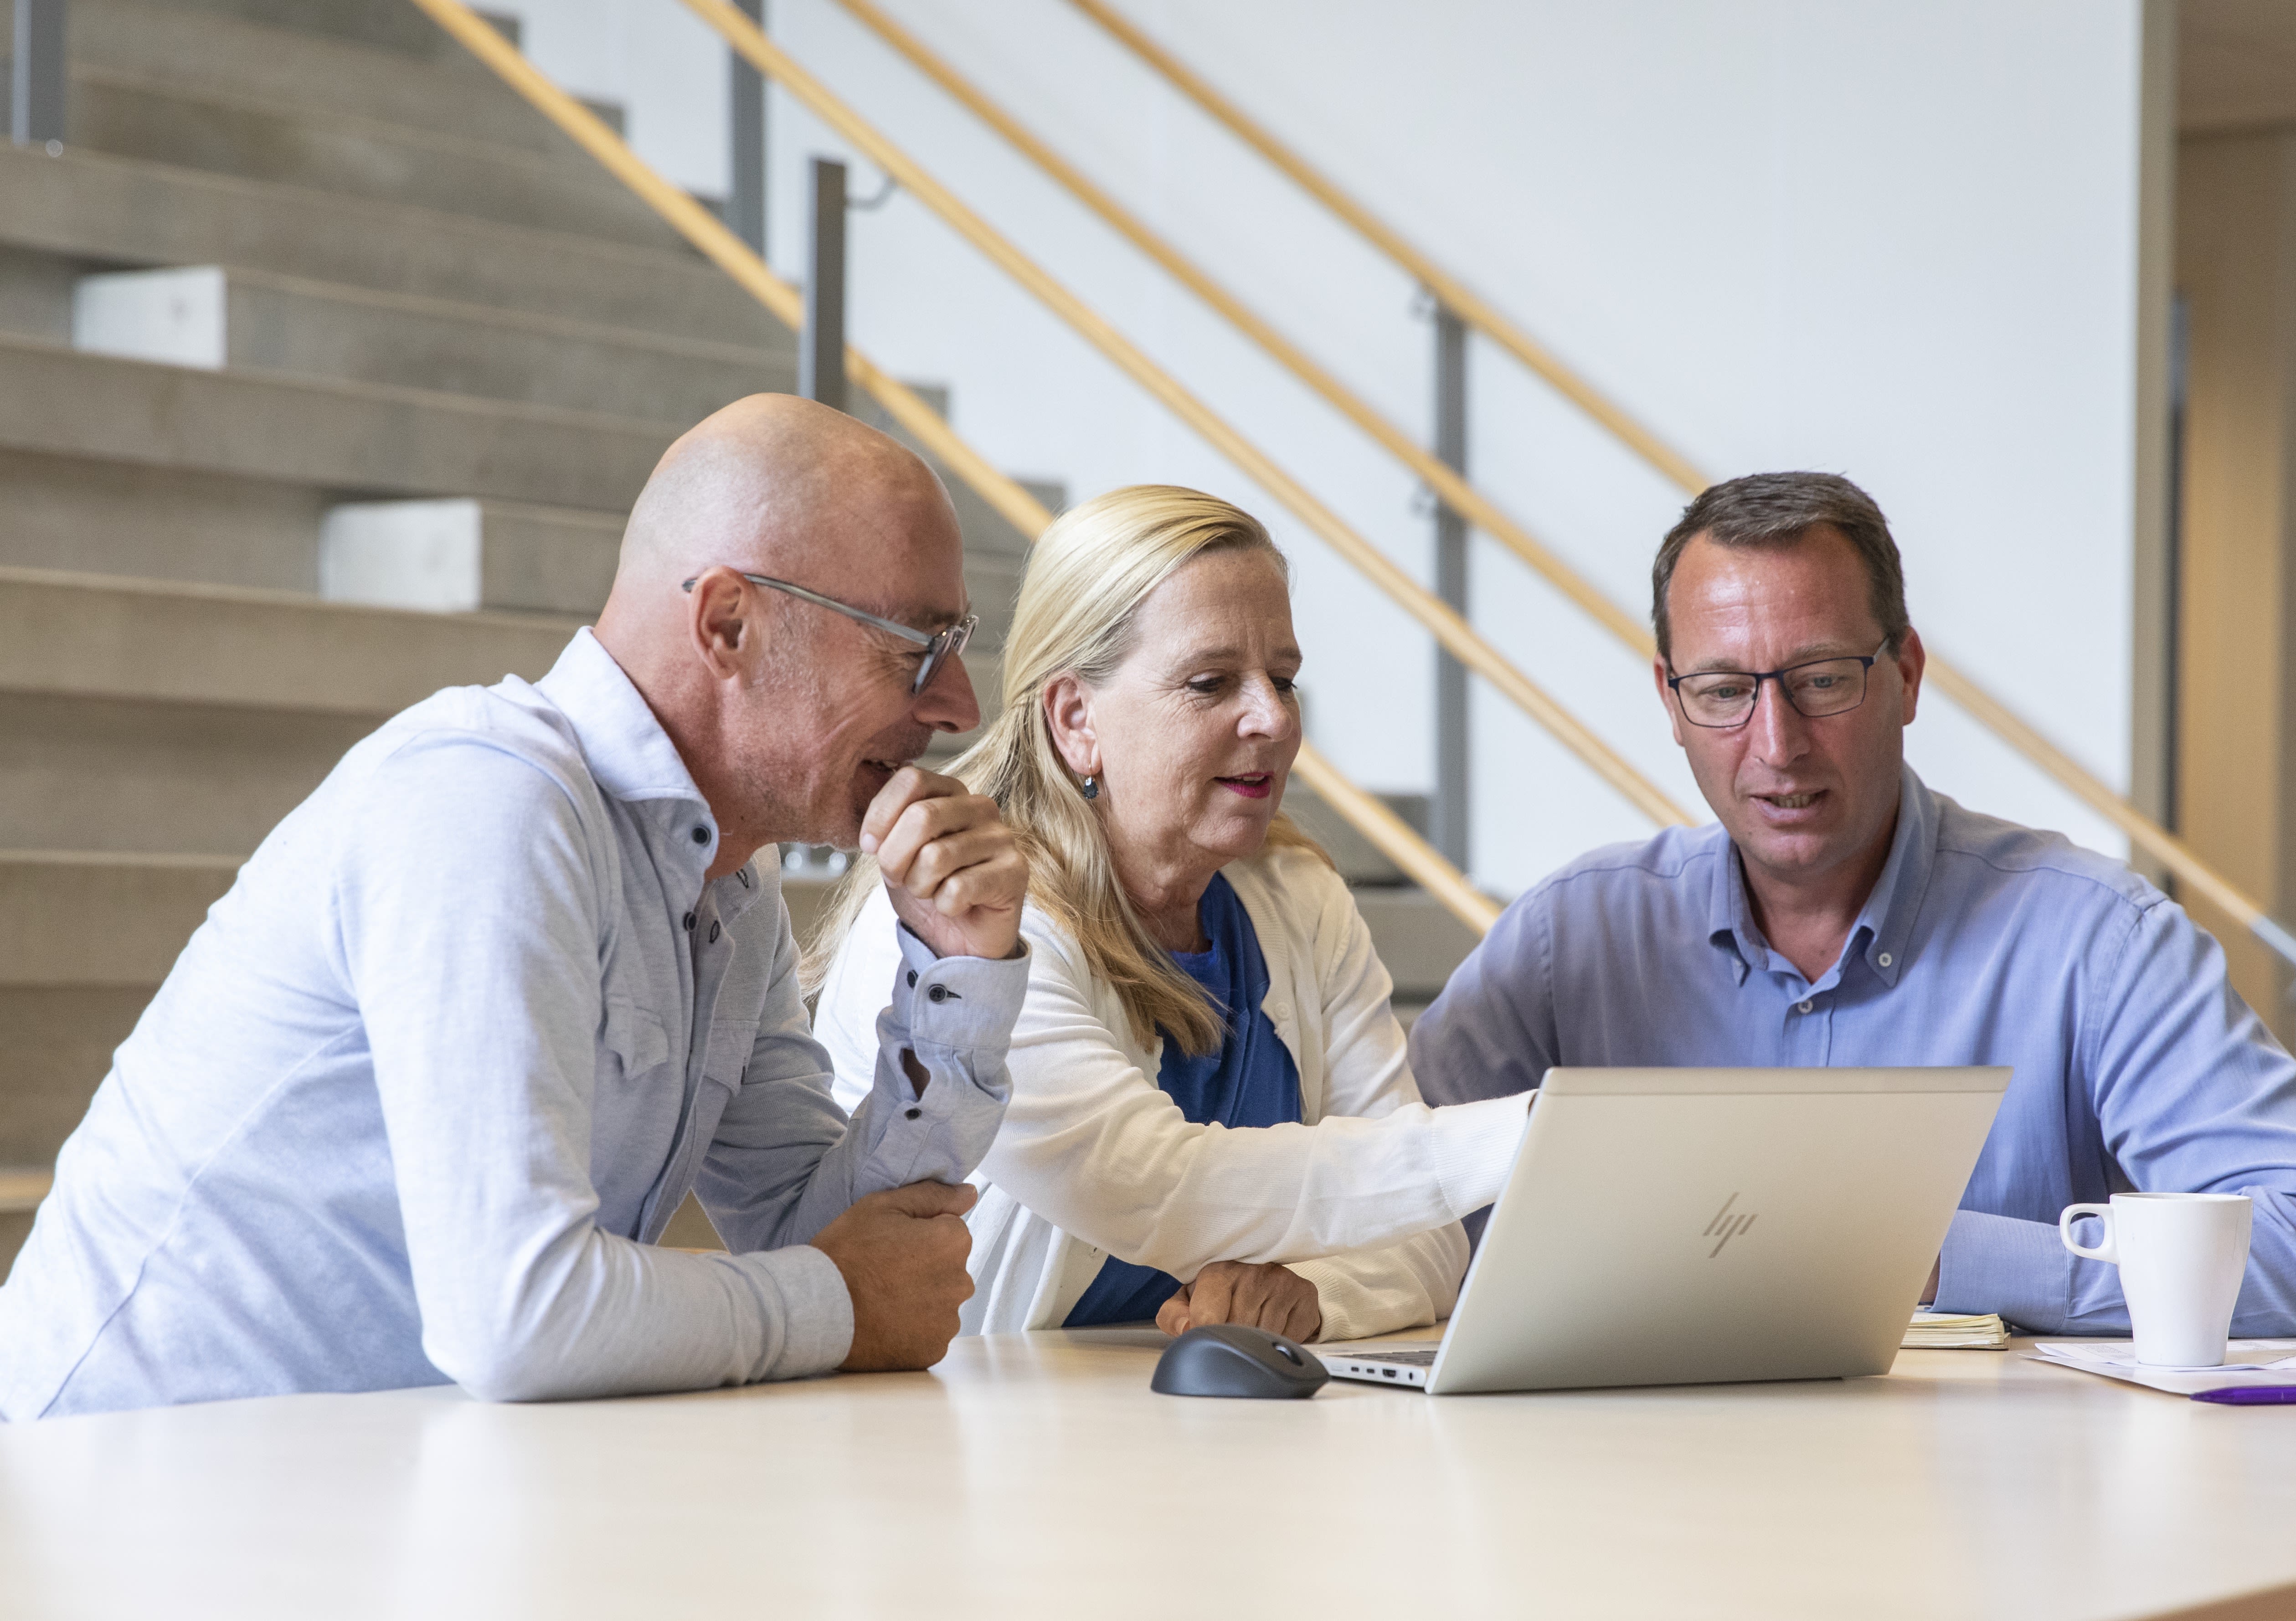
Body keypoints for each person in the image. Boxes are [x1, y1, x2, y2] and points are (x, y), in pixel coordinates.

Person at [0, 395, 1032, 1420]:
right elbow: (516, 1313)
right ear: (729, 624)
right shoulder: (486, 799)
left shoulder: (729, 880)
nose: (958, 709)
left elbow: (855, 1246)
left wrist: (960, 977)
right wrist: (837, 1304)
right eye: (914, 648)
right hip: (108, 1508)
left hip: (334, 1501)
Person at [1412, 471, 2296, 1338]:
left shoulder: (2093, 942)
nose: (1776, 744)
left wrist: (1932, 1258)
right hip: (1645, 1505)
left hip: (1992, 1526)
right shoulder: (1566, 943)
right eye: (1722, 691)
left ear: (1908, 676)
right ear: (1670, 704)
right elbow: (1384, 1215)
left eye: (1821, 681)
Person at [813, 486, 1529, 1342]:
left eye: (1285, 679)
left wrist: (1311, 1296)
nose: (1272, 716)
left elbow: (1428, 1242)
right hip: (950, 1429)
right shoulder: (970, 920)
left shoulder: (1299, 898)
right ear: (1077, 719)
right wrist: (1522, 1136)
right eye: (1211, 682)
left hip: (1174, 1429)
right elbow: (1147, 1184)